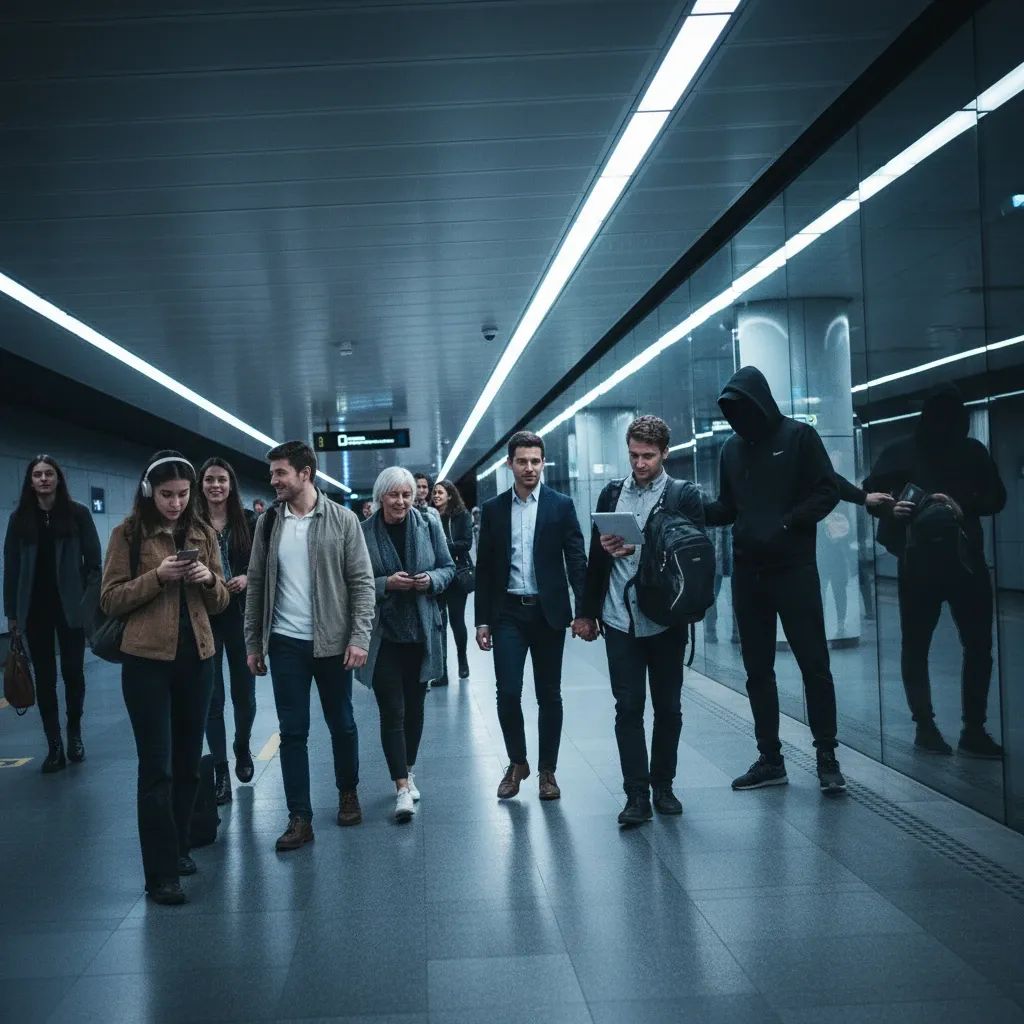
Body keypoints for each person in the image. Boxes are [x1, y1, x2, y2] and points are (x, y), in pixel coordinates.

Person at [703, 367, 847, 795]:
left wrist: (788, 523)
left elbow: (826, 491)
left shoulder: (799, 438)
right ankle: (770, 759)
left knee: (814, 665)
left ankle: (826, 756)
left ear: (760, 402)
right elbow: (728, 508)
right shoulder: (730, 449)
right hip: (749, 574)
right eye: (731, 412)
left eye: (743, 408)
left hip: (795, 570)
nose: (737, 418)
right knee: (757, 671)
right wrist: (687, 506)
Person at [100, 451, 229, 905]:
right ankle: (159, 874)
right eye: (166, 495)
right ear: (148, 493)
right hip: (146, 663)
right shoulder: (128, 534)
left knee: (188, 762)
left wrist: (205, 578)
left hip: (198, 658)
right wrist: (158, 576)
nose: (175, 503)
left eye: (182, 494)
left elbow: (220, 603)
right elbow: (111, 600)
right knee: (156, 766)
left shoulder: (202, 533)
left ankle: (177, 848)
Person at [244, 441, 376, 851]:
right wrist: (254, 642)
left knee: (342, 723)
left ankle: (347, 792)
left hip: (334, 642)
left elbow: (362, 582)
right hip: (285, 643)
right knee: (293, 731)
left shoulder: (343, 520)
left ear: (305, 473)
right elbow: (256, 587)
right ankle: (300, 817)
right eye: (272, 474)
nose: (273, 480)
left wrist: (359, 636)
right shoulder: (267, 525)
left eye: (280, 472)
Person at [863, 384, 1006, 757]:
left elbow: (871, 495)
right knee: (974, 647)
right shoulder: (967, 450)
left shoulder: (907, 450)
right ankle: (967, 729)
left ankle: (929, 727)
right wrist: (894, 507)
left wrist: (959, 505)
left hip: (935, 564)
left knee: (924, 647)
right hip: (955, 563)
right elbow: (871, 496)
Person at [579, 416, 702, 825]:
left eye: (648, 456)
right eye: (633, 455)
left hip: (666, 619)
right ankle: (636, 793)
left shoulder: (683, 496)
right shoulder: (614, 492)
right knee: (628, 707)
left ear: (665, 453)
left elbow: (691, 554)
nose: (640, 463)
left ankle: (664, 785)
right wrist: (587, 612)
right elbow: (598, 559)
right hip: (619, 618)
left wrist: (639, 548)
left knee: (668, 707)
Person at [475, 431, 589, 801]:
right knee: (507, 692)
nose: (529, 468)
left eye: (535, 461)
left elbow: (576, 560)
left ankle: (547, 772)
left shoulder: (560, 505)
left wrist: (585, 612)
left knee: (548, 694)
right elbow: (485, 569)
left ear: (543, 463)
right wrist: (482, 621)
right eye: (522, 461)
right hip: (508, 611)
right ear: (510, 464)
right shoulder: (493, 510)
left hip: (548, 613)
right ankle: (517, 762)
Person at [358, 468, 454, 821]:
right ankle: (401, 786)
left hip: (422, 632)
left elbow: (449, 568)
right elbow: (356, 580)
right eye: (393, 495)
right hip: (383, 636)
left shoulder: (429, 525)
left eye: (407, 495)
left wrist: (429, 580)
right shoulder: (364, 532)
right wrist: (387, 585)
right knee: (392, 710)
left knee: (415, 709)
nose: (400, 502)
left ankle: (408, 770)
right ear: (380, 496)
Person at [4, 455, 101, 771]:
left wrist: (88, 604)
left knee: (73, 673)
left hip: (70, 609)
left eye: (48, 474)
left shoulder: (78, 515)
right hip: (34, 611)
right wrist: (12, 614)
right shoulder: (19, 520)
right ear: (30, 481)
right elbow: (12, 570)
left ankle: (74, 734)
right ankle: (54, 745)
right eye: (37, 474)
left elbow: (94, 565)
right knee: (44, 680)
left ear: (58, 478)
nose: (43, 479)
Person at [196, 457, 257, 804]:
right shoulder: (191, 522)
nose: (215, 486)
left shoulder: (248, 520)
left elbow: (264, 563)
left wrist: (248, 576)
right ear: (201, 485)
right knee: (212, 697)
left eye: (221, 479)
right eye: (209, 480)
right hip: (206, 615)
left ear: (231, 484)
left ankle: (242, 744)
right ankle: (221, 768)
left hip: (240, 614)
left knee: (244, 696)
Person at [431, 479, 474, 682]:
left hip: (457, 576)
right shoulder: (429, 517)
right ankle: (442, 672)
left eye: (440, 493)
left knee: (457, 621)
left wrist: (442, 546)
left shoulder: (462, 516)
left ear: (449, 495)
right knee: (440, 624)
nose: (436, 496)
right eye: (435, 493)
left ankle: (462, 659)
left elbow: (465, 543)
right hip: (437, 576)